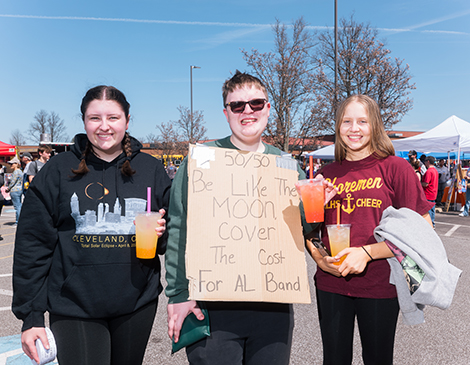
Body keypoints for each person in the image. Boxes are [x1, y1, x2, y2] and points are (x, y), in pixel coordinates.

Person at [165, 70, 335, 365]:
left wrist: (316, 208)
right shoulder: (201, 160)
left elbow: (300, 231)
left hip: (273, 306)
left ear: (268, 108)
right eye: (237, 105)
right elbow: (179, 228)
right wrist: (179, 294)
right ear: (226, 112)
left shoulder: (287, 166)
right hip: (212, 306)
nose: (247, 111)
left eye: (256, 103)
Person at [12, 85, 171, 365]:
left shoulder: (150, 169)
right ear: (84, 120)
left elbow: (174, 236)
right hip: (74, 305)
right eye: (94, 118)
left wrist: (162, 232)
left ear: (127, 120)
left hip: (136, 304)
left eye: (113, 118)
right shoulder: (59, 169)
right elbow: (32, 244)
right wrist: (31, 316)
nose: (104, 127)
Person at [308, 95, 433, 365]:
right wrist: (320, 260)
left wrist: (367, 253)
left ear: (374, 125)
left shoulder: (396, 168)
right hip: (331, 281)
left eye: (362, 121)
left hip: (380, 284)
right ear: (338, 127)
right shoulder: (325, 174)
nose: (354, 128)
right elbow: (311, 232)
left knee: (377, 359)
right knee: (334, 359)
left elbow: (424, 226)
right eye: (347, 121)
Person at [421, 156, 439, 228]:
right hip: (433, 192)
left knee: (428, 210)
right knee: (432, 209)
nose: (424, 163)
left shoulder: (429, 171)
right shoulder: (435, 170)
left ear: (428, 161)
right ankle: (432, 223)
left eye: (425, 161)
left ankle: (430, 224)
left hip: (428, 193)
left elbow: (426, 184)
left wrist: (418, 183)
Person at [6, 156, 23, 225]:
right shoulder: (20, 171)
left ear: (16, 164)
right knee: (19, 205)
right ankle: (20, 220)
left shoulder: (16, 172)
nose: (10, 165)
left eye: (12, 164)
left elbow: (12, 182)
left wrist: (8, 188)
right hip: (19, 189)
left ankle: (17, 221)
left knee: (17, 207)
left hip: (14, 190)